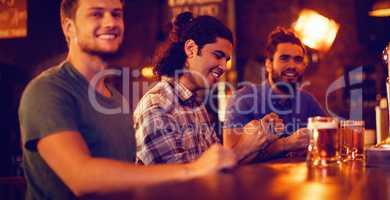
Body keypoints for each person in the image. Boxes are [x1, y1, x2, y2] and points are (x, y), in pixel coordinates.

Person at [18, 1, 236, 199]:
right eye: (96, 14)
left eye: (117, 14)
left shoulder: (118, 102)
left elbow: (131, 174)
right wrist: (193, 169)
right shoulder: (47, 90)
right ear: (69, 28)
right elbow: (81, 178)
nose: (110, 22)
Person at [134, 12, 281, 165]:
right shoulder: (157, 106)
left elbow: (216, 166)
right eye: (218, 56)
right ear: (191, 49)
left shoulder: (195, 104)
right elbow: (181, 184)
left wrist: (259, 138)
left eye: (226, 59)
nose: (224, 66)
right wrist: (244, 146)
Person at [224, 27, 326, 160]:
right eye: (284, 58)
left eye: (298, 60)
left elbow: (328, 138)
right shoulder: (242, 99)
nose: (292, 66)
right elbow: (231, 158)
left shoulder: (307, 100)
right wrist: (285, 144)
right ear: (268, 65)